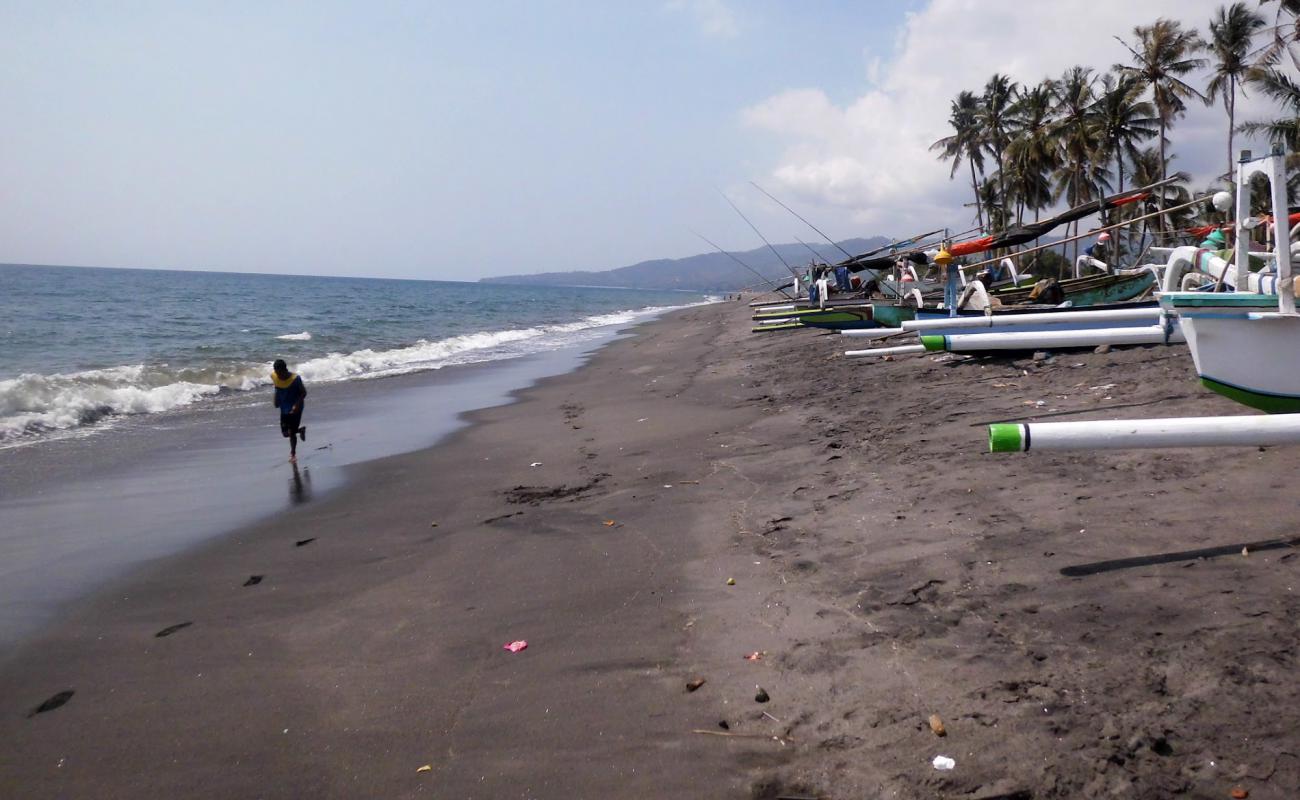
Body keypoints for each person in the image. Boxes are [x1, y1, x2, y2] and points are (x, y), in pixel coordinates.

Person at [271, 359, 307, 463]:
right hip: (284, 407)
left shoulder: (295, 379)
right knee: (285, 433)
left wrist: (296, 405)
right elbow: (276, 388)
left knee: (291, 433)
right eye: (276, 373)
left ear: (285, 370)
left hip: (296, 408)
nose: (278, 375)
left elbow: (303, 393)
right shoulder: (274, 376)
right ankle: (300, 430)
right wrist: (276, 400)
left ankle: (293, 454)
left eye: (280, 373)